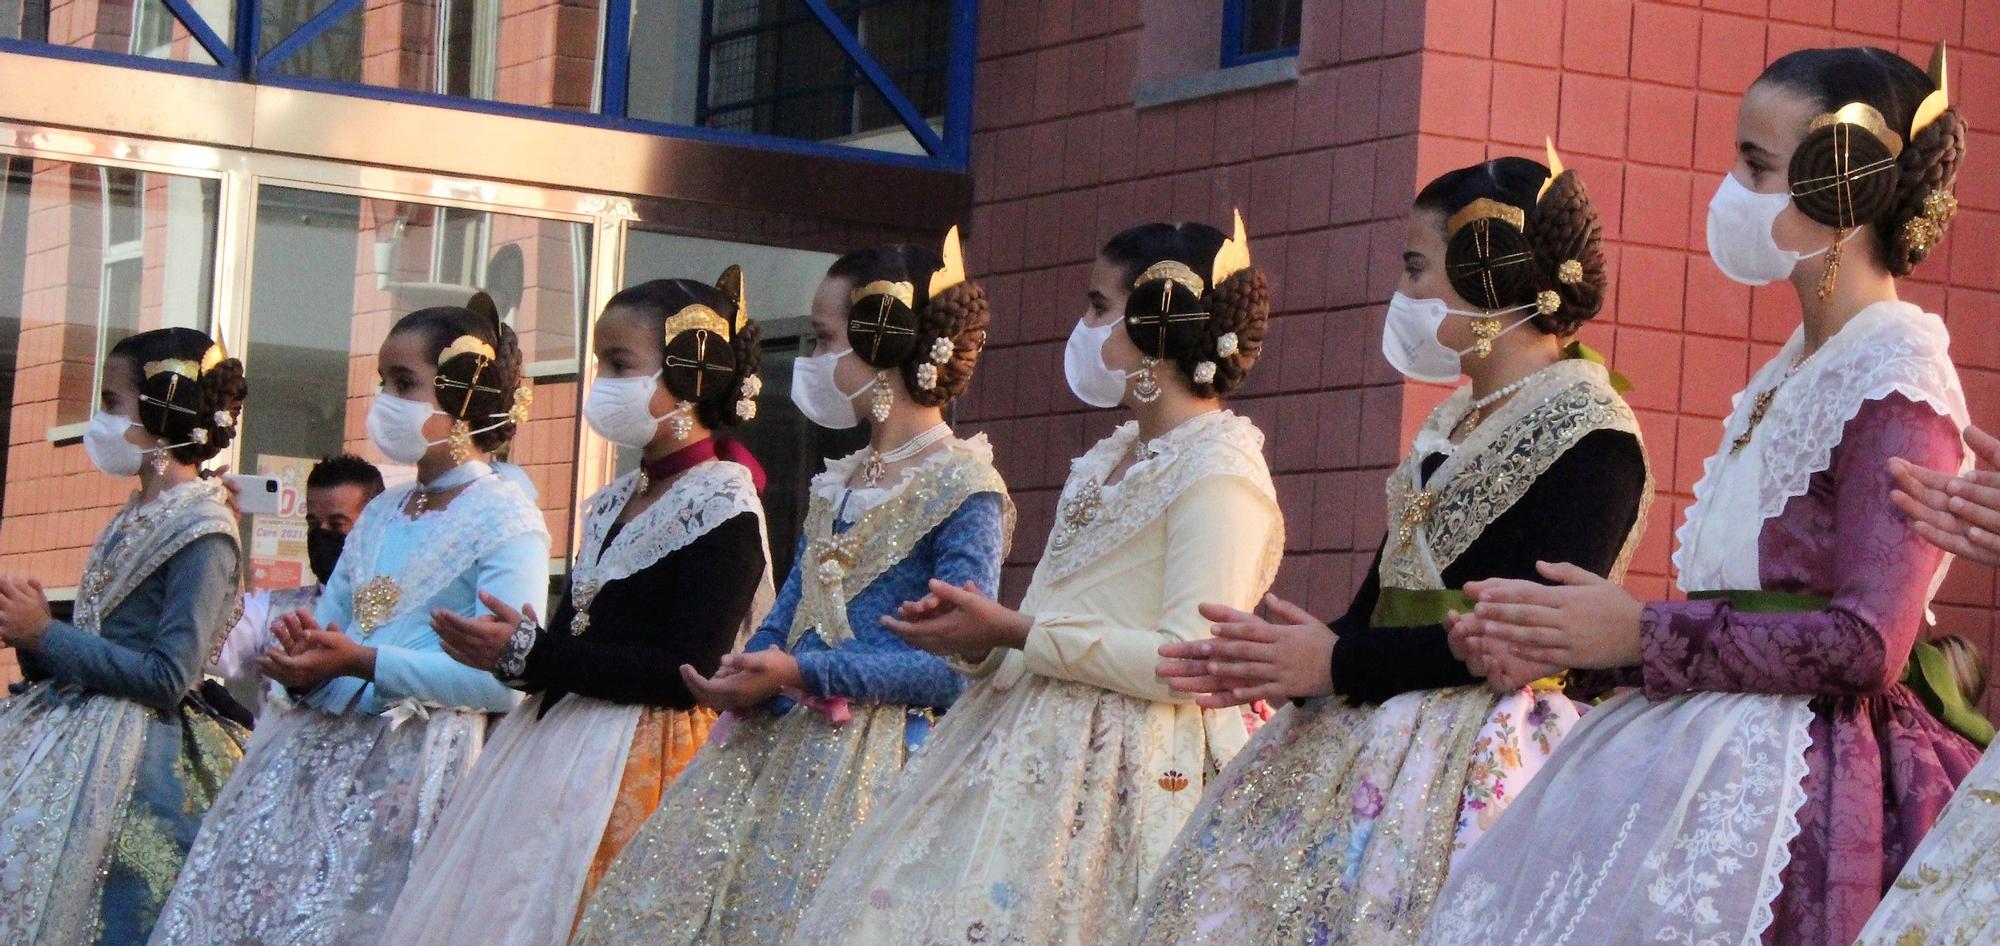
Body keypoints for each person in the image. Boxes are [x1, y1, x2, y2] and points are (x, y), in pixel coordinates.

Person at [1422, 45, 1979, 946]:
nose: (1730, 186)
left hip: (1810, 792)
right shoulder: (1794, 371)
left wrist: (1640, 632)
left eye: (1754, 164)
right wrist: (1570, 642)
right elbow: (1742, 611)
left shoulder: (1897, 379)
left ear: (1838, 186)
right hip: (1694, 752)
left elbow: (1871, 642)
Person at [1130, 154, 1648, 945]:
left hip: (1485, 758)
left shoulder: (1593, 435)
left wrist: (1336, 662)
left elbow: (1518, 636)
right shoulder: (1453, 426)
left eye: (1417, 269)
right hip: (1376, 728)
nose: (1403, 296)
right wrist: (1297, 650)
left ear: (1486, 271)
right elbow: (1386, 600)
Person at [789, 214, 1284, 944]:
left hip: (1133, 773)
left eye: (1097, 307)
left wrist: (1017, 630)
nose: (1082, 327)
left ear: (1158, 320)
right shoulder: (1112, 457)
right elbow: (1061, 613)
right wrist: (978, 640)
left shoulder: (1221, 473)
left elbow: (1190, 662)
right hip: (1028, 745)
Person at [570, 230, 1010, 946]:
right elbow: (790, 610)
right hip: (780, 749)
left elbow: (954, 665)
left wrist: (803, 670)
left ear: (885, 342)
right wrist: (750, 671)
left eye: (821, 338)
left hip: (883, 769)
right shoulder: (839, 479)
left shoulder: (965, 487)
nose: (809, 359)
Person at [377, 270, 773, 946]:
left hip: (647, 760)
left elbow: (686, 668)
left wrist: (534, 652)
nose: (603, 382)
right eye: (601, 364)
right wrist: (515, 652)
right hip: (552, 744)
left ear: (688, 373)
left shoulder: (724, 504)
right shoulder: (613, 500)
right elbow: (573, 635)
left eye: (620, 364)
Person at [150, 295, 551, 946]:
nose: (385, 400)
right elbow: (344, 625)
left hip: (417, 774)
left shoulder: (508, 519)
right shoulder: (387, 512)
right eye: (382, 384)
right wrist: (304, 662)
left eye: (404, 384)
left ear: (461, 394)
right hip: (318, 762)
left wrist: (361, 663)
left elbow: (501, 679)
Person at [0, 327, 249, 945]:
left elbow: (169, 675)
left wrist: (45, 636)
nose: (100, 419)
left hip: (140, 759)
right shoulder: (133, 513)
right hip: (72, 728)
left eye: (112, 402)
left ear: (160, 412)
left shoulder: (205, 529)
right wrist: (34, 637)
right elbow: (103, 632)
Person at [209, 453, 384, 717]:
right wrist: (209, 527)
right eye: (313, 523)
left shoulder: (405, 611)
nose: (322, 533)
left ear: (375, 527)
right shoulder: (274, 608)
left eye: (337, 524)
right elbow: (201, 635)